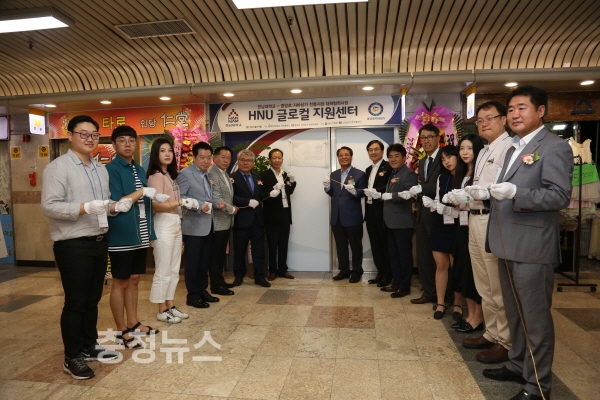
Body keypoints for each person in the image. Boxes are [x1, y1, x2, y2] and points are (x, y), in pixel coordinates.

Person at [482, 86, 572, 400]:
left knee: (535, 320)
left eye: (522, 107)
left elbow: (559, 196)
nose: (515, 114)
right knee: (515, 314)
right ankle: (518, 363)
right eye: (511, 109)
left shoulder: (554, 146)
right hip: (507, 243)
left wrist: (516, 193)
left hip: (532, 247)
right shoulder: (514, 149)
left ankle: (537, 387)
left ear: (541, 111)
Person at [42, 115, 124, 379]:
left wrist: (114, 206)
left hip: (98, 240)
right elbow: (49, 206)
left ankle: (89, 346)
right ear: (70, 136)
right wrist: (84, 208)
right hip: (72, 244)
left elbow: (103, 204)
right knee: (76, 302)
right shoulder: (58, 167)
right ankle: (72, 356)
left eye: (94, 135)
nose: (90, 139)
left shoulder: (100, 169)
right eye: (84, 134)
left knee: (92, 299)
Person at [461, 101, 513, 364]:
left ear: (503, 119)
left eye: (489, 118)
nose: (483, 124)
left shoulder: (509, 147)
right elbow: (478, 185)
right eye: (480, 120)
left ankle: (505, 341)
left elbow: (509, 188)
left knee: (496, 283)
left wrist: (486, 193)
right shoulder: (483, 151)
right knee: (483, 282)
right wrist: (464, 196)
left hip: (493, 219)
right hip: (475, 217)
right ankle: (491, 333)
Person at [106, 125, 160, 349]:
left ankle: (133, 322)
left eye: (131, 140)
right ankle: (121, 331)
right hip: (121, 234)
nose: (127, 144)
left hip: (140, 232)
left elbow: (144, 205)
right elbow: (118, 203)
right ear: (114, 145)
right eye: (122, 140)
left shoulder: (138, 168)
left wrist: (150, 233)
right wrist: (142, 192)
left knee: (135, 279)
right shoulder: (111, 169)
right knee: (120, 282)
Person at [147, 138, 198, 323]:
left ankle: (170, 305)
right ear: (156, 154)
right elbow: (156, 205)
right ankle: (161, 309)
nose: (167, 154)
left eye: (169, 150)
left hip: (175, 221)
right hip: (163, 223)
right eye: (162, 151)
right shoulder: (156, 176)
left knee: (174, 269)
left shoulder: (169, 174)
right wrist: (181, 201)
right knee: (163, 269)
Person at [445, 134, 485, 333]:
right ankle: (470, 314)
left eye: (469, 148)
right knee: (462, 270)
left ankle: (478, 317)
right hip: (461, 226)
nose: (465, 152)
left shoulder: (481, 171)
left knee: (474, 272)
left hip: (476, 223)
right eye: (462, 148)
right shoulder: (461, 173)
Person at [177, 141, 221, 308]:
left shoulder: (206, 174)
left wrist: (217, 203)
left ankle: (202, 290)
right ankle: (193, 295)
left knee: (204, 262)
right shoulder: (185, 174)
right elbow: (180, 198)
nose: (206, 161)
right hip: (193, 225)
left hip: (207, 224)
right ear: (193, 157)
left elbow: (207, 197)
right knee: (193, 263)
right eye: (202, 157)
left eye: (208, 158)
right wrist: (198, 205)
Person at [421, 145, 458, 320]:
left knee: (456, 266)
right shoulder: (441, 178)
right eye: (443, 159)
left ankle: (457, 303)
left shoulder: (465, 177)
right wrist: (433, 205)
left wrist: (450, 210)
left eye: (449, 157)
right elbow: (437, 199)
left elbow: (467, 206)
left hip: (457, 225)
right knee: (440, 265)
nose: (446, 162)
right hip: (440, 223)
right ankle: (441, 302)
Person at [410, 124, 444, 305]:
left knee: (440, 258)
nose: (426, 141)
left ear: (438, 138)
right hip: (422, 214)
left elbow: (445, 184)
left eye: (430, 137)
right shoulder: (422, 161)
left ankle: (444, 295)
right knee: (423, 256)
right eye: (423, 138)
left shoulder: (445, 157)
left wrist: (421, 188)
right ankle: (429, 292)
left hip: (440, 215)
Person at [378, 143, 418, 297]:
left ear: (404, 157)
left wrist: (391, 196)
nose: (393, 159)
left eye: (396, 156)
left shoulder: (408, 174)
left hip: (402, 223)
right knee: (394, 255)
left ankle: (404, 286)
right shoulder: (393, 173)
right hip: (390, 222)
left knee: (404, 256)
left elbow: (410, 194)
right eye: (390, 157)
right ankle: (396, 283)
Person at [324, 146, 367, 283]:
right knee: (341, 247)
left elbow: (364, 192)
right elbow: (333, 194)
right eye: (341, 155)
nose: (344, 157)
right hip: (337, 217)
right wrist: (327, 188)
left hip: (353, 217)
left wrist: (355, 191)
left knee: (355, 246)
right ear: (338, 158)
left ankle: (357, 271)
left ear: (351, 157)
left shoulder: (360, 174)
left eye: (347, 154)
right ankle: (344, 271)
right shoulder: (334, 175)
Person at [230, 149, 271, 287]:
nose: (245, 163)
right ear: (238, 161)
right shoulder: (232, 177)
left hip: (257, 219)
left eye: (248, 160)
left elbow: (259, 196)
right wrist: (246, 202)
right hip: (241, 219)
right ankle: (238, 276)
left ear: (253, 163)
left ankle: (260, 277)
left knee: (259, 250)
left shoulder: (257, 177)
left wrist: (270, 193)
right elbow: (230, 196)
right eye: (242, 160)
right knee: (239, 250)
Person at [261, 149, 297, 281]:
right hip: (271, 214)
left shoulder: (286, 175)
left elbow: (290, 191)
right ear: (269, 160)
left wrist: (292, 181)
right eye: (274, 158)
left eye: (279, 157)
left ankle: (283, 270)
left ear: (282, 159)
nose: (277, 160)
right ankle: (272, 271)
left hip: (285, 212)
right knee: (272, 244)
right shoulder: (264, 175)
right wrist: (272, 190)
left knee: (283, 244)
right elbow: (261, 194)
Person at [363, 140, 393, 287]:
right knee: (375, 245)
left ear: (382, 151)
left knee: (384, 245)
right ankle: (380, 273)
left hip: (383, 212)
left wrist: (376, 191)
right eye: (370, 150)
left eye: (376, 149)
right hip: (370, 212)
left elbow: (389, 186)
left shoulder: (388, 166)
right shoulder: (368, 169)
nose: (373, 152)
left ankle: (388, 275)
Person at [208, 146, 237, 295]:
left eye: (228, 158)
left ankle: (220, 281)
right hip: (217, 221)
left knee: (220, 255)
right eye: (223, 157)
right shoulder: (211, 173)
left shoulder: (225, 173)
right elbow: (215, 197)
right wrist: (231, 209)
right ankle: (216, 285)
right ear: (215, 158)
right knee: (215, 255)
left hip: (225, 222)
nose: (226, 160)